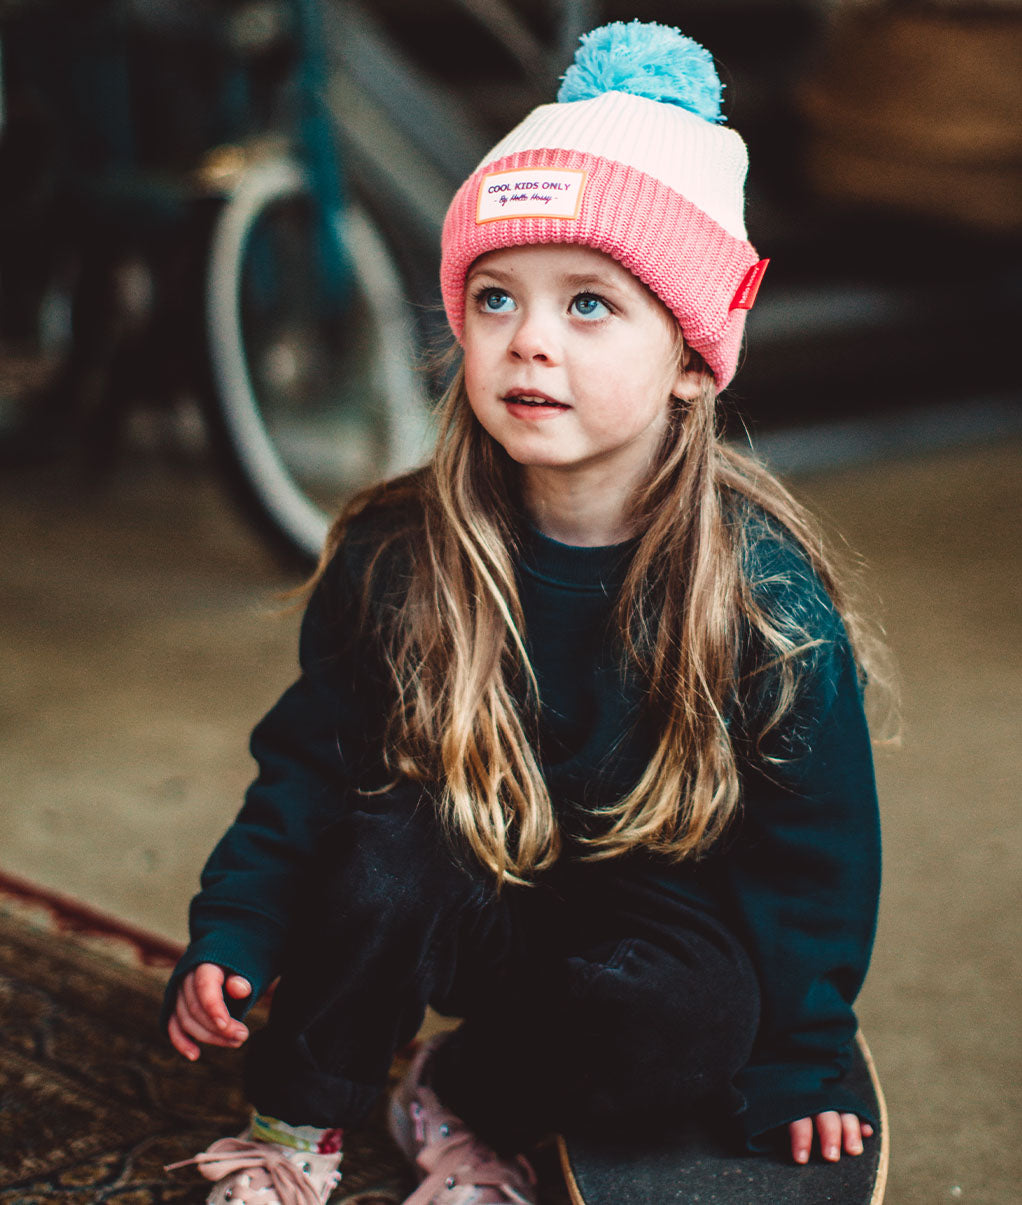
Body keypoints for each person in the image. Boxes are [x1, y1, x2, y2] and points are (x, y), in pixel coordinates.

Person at [163, 21, 883, 1205]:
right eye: (494, 296)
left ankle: (459, 1091)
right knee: (380, 848)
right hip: (449, 865)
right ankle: (298, 1123)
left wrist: (803, 1054)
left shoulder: (765, 605)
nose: (527, 339)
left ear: (693, 361)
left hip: (641, 909)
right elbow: (303, 766)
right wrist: (236, 927)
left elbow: (813, 854)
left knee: (694, 1022)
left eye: (589, 304)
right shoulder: (402, 555)